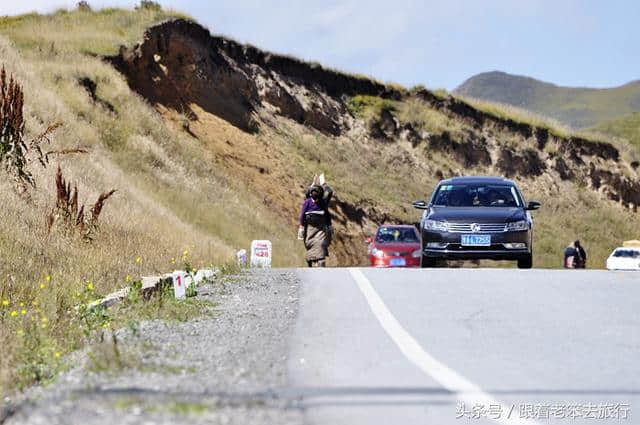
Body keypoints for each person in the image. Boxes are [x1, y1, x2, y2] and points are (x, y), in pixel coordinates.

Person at [298, 175, 333, 267]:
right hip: (315, 228)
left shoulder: (310, 201)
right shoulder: (320, 202)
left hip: (315, 228)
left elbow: (302, 214)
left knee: (315, 242)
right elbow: (329, 192)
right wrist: (323, 183)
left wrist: (301, 226)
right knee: (316, 242)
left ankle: (314, 258)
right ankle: (315, 258)